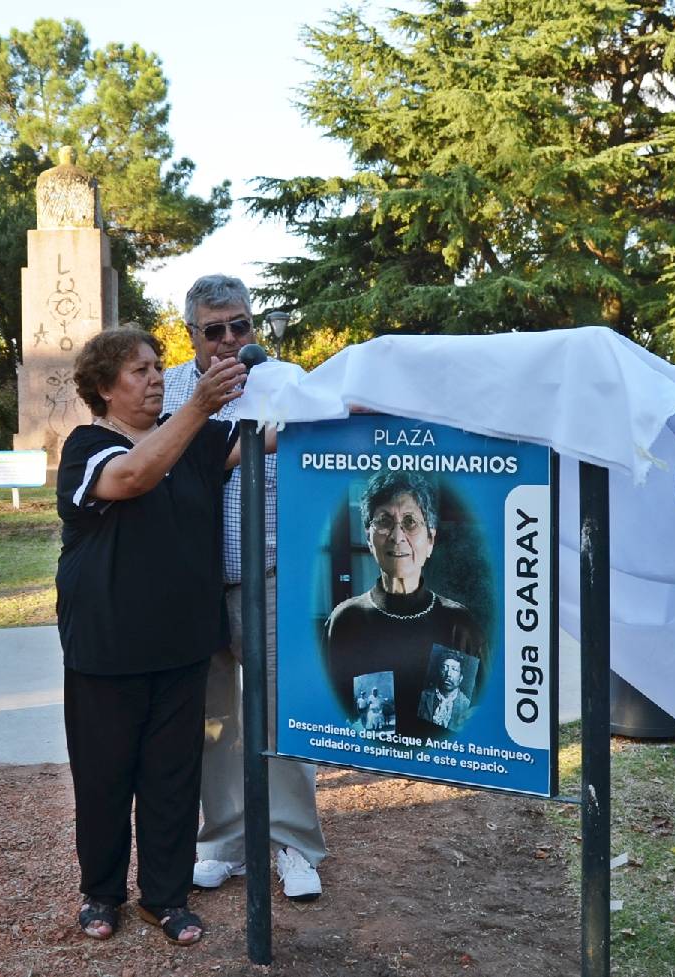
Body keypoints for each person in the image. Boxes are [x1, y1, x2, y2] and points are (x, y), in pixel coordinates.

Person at [57, 325, 247, 946]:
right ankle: (101, 894)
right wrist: (198, 406)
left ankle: (165, 898)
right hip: (107, 647)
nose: (157, 377)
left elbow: (269, 438)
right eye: (139, 370)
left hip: (182, 642)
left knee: (172, 778)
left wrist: (353, 397)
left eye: (158, 366)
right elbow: (134, 476)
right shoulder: (88, 448)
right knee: (106, 775)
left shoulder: (194, 437)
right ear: (105, 388)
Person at [162, 274, 326, 902]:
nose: (230, 340)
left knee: (284, 713)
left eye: (241, 325)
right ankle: (225, 840)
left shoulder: (287, 381)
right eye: (215, 329)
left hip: (276, 575)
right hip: (194, 582)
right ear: (192, 334)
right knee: (213, 720)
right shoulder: (170, 390)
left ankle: (294, 844)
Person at [325, 471, 486, 740]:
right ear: (368, 537)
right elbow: (331, 710)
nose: (397, 536)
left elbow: (477, 715)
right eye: (384, 522)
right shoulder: (345, 621)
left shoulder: (459, 624)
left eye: (410, 522)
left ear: (430, 540)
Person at [417, 651, 472, 732]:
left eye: (454, 669)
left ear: (460, 678)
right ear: (439, 672)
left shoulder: (466, 705)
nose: (448, 674)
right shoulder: (423, 697)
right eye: (444, 667)